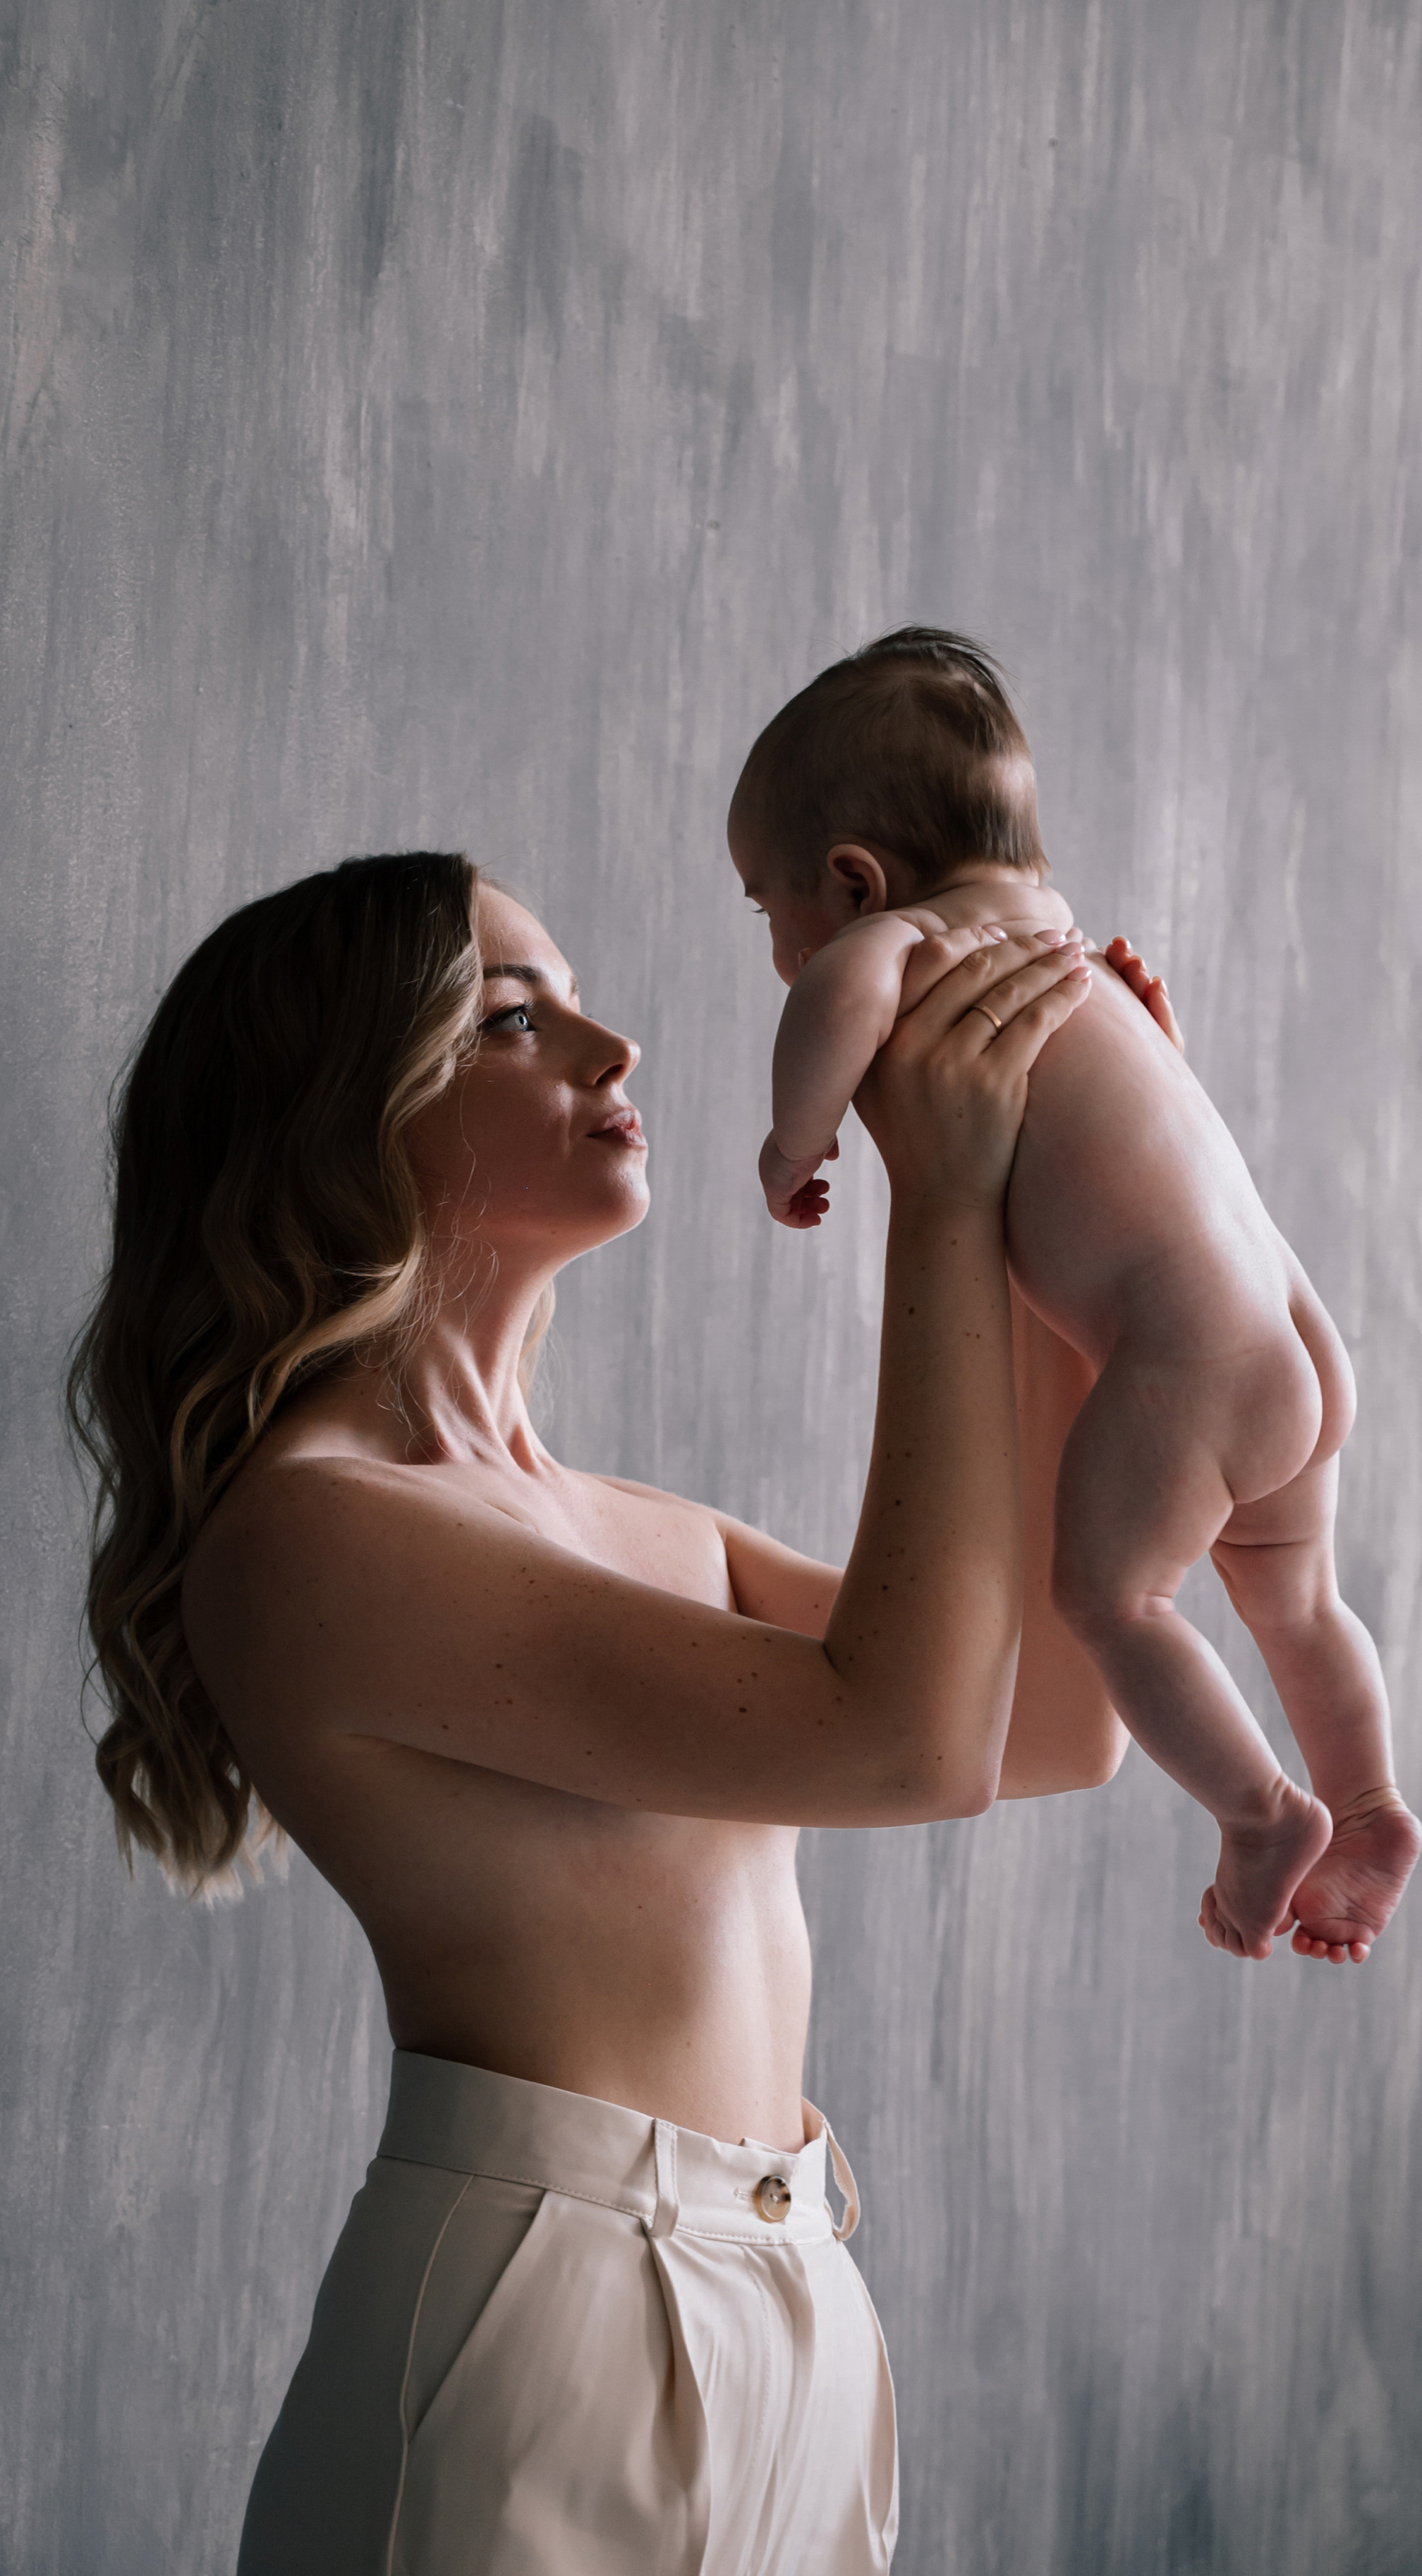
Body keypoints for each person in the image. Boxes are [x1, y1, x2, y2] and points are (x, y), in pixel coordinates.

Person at [68, 847, 1125, 2575]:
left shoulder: (646, 1526)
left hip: (793, 2281)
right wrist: (942, 1198)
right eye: (510, 1016)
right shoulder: (320, 1530)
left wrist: (1049, 1215)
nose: (608, 1045)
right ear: (337, 1112)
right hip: (549, 2305)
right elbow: (906, 1742)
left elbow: (1053, 1720)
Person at [729, 627, 1419, 1970]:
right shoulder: (1070, 955)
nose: (783, 950)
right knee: (1299, 1603)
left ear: (854, 878)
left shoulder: (907, 945)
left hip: (1188, 1358)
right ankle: (1376, 1800)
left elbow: (838, 995)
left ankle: (1265, 1812)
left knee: (1115, 1602)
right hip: (1292, 1332)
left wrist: (790, 1144)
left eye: (771, 911)